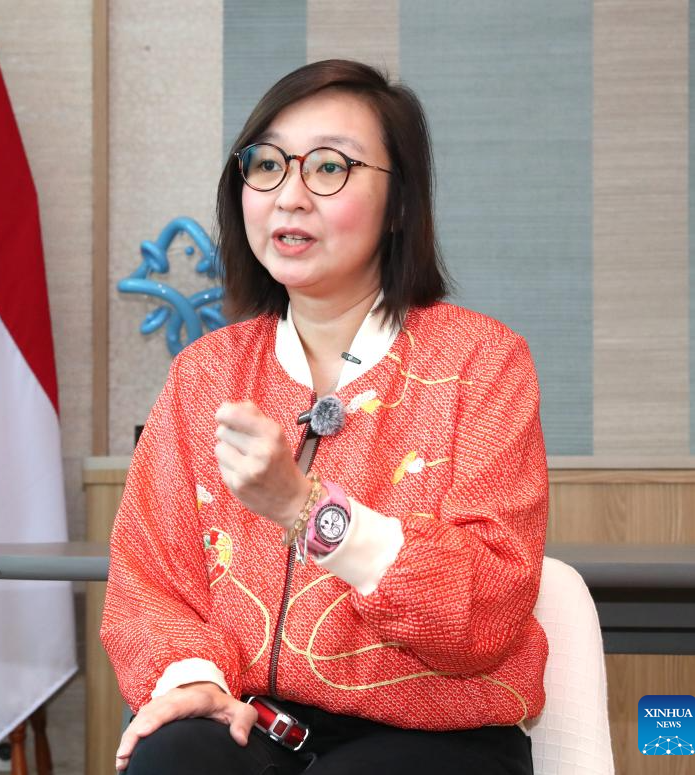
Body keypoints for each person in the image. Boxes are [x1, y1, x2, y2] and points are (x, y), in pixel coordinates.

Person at [101, 59, 548, 775]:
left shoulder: (481, 362)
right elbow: (150, 583)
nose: (290, 196)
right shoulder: (206, 373)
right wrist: (194, 680)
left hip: (434, 740)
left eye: (330, 168)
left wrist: (306, 509)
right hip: (253, 723)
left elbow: (487, 609)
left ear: (399, 204)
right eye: (268, 165)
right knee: (174, 756)